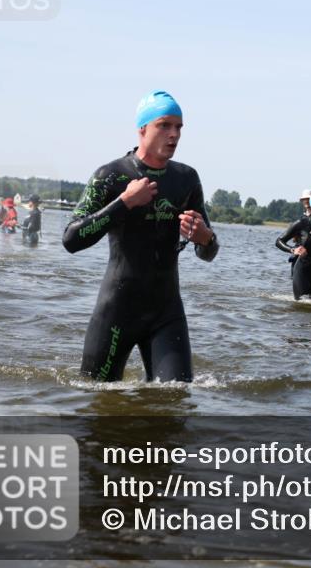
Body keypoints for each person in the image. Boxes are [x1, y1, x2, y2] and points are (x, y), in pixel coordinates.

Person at [63, 90, 219, 382]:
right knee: (97, 403)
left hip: (166, 313)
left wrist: (205, 238)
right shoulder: (110, 175)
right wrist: (124, 203)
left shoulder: (186, 178)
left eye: (179, 127)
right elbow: (71, 239)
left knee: (175, 399)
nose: (174, 134)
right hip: (116, 313)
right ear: (143, 128)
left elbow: (208, 252)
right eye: (165, 125)